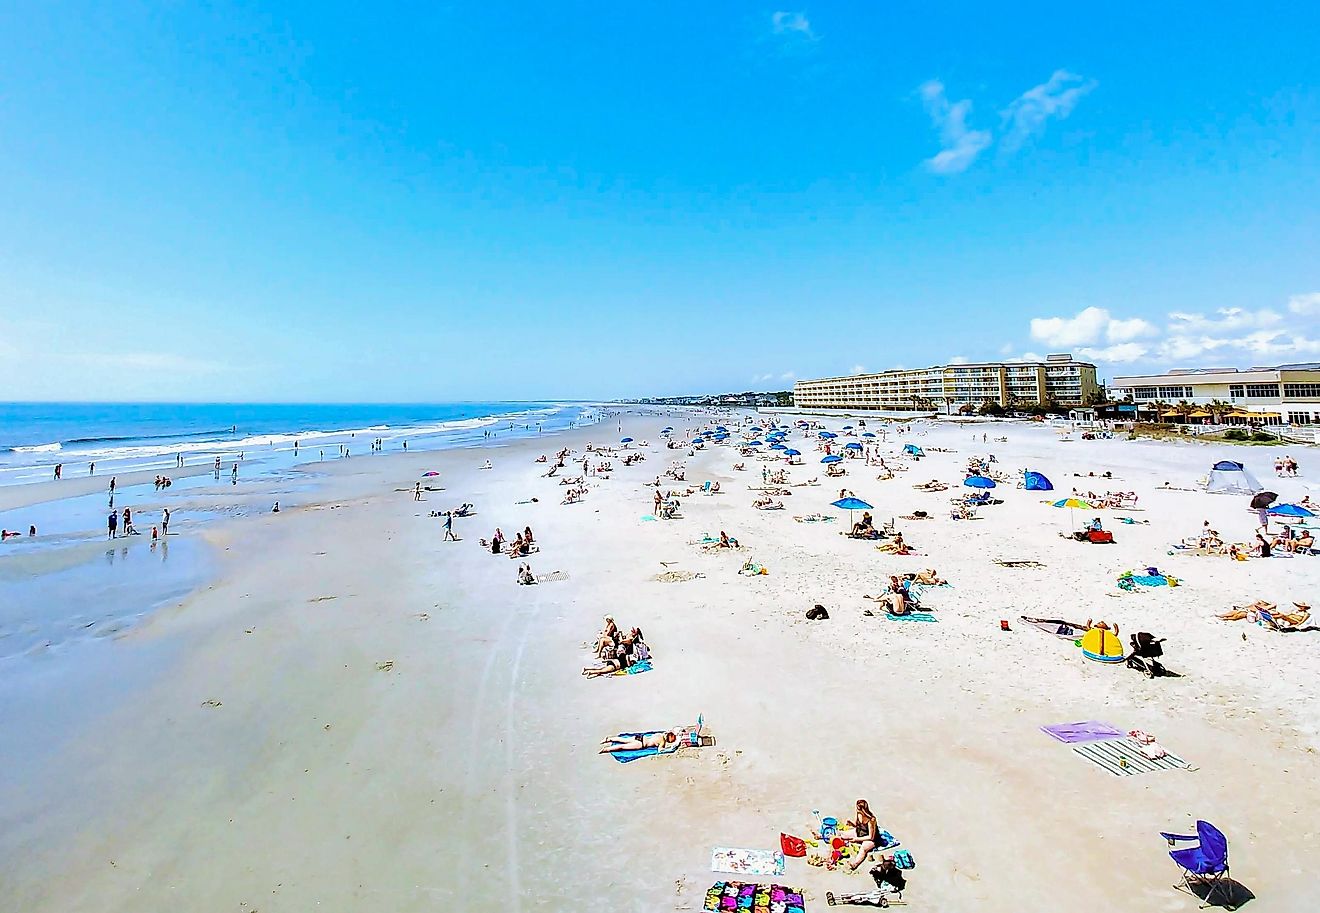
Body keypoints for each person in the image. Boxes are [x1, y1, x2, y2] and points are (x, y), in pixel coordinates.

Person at [848, 799, 883, 871]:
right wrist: (851, 823)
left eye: (858, 809)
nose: (857, 810)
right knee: (843, 835)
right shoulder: (858, 813)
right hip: (860, 833)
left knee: (863, 848)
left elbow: (871, 837)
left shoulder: (871, 820)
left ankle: (855, 864)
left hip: (872, 839)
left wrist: (856, 839)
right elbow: (856, 824)